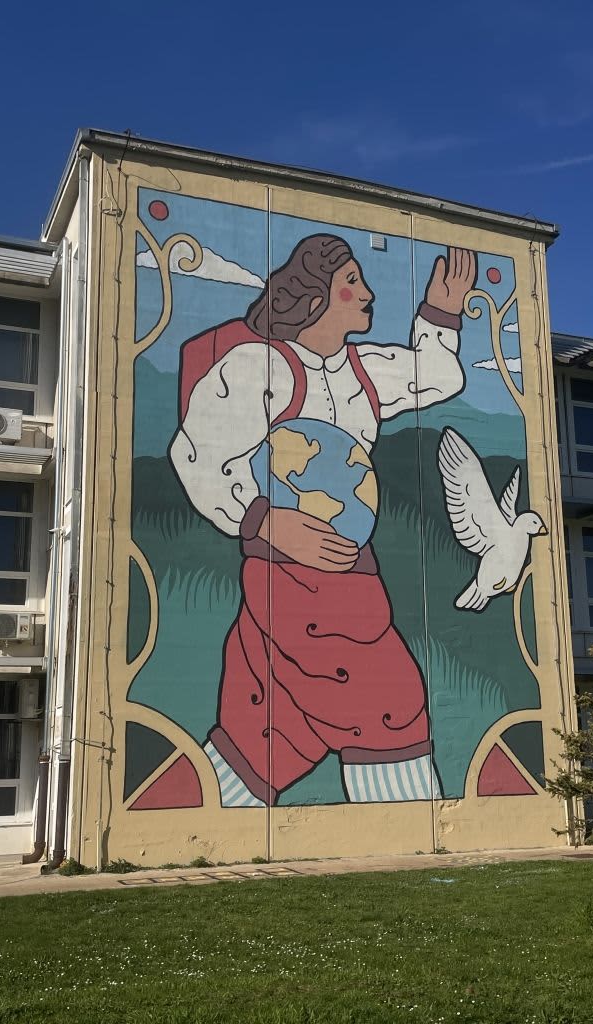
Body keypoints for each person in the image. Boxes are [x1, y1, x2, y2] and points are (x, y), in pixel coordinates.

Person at [170, 234, 476, 806]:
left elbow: (440, 376)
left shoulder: (363, 368)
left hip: (351, 568)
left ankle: (184, 815)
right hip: (286, 573)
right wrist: (262, 520)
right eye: (352, 282)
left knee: (267, 725)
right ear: (314, 297)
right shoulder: (260, 366)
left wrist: (441, 311)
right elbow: (198, 454)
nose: (368, 293)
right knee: (389, 705)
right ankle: (410, 832)